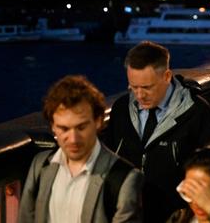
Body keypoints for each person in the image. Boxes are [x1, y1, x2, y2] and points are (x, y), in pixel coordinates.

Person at [102, 41, 210, 223]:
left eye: (147, 87)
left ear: (167, 76)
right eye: (133, 87)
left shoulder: (197, 112)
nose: (139, 95)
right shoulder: (120, 109)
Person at [19, 75, 143, 223]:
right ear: (52, 126)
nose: (73, 139)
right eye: (64, 129)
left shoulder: (125, 179)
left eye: (81, 127)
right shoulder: (40, 165)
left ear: (98, 122)